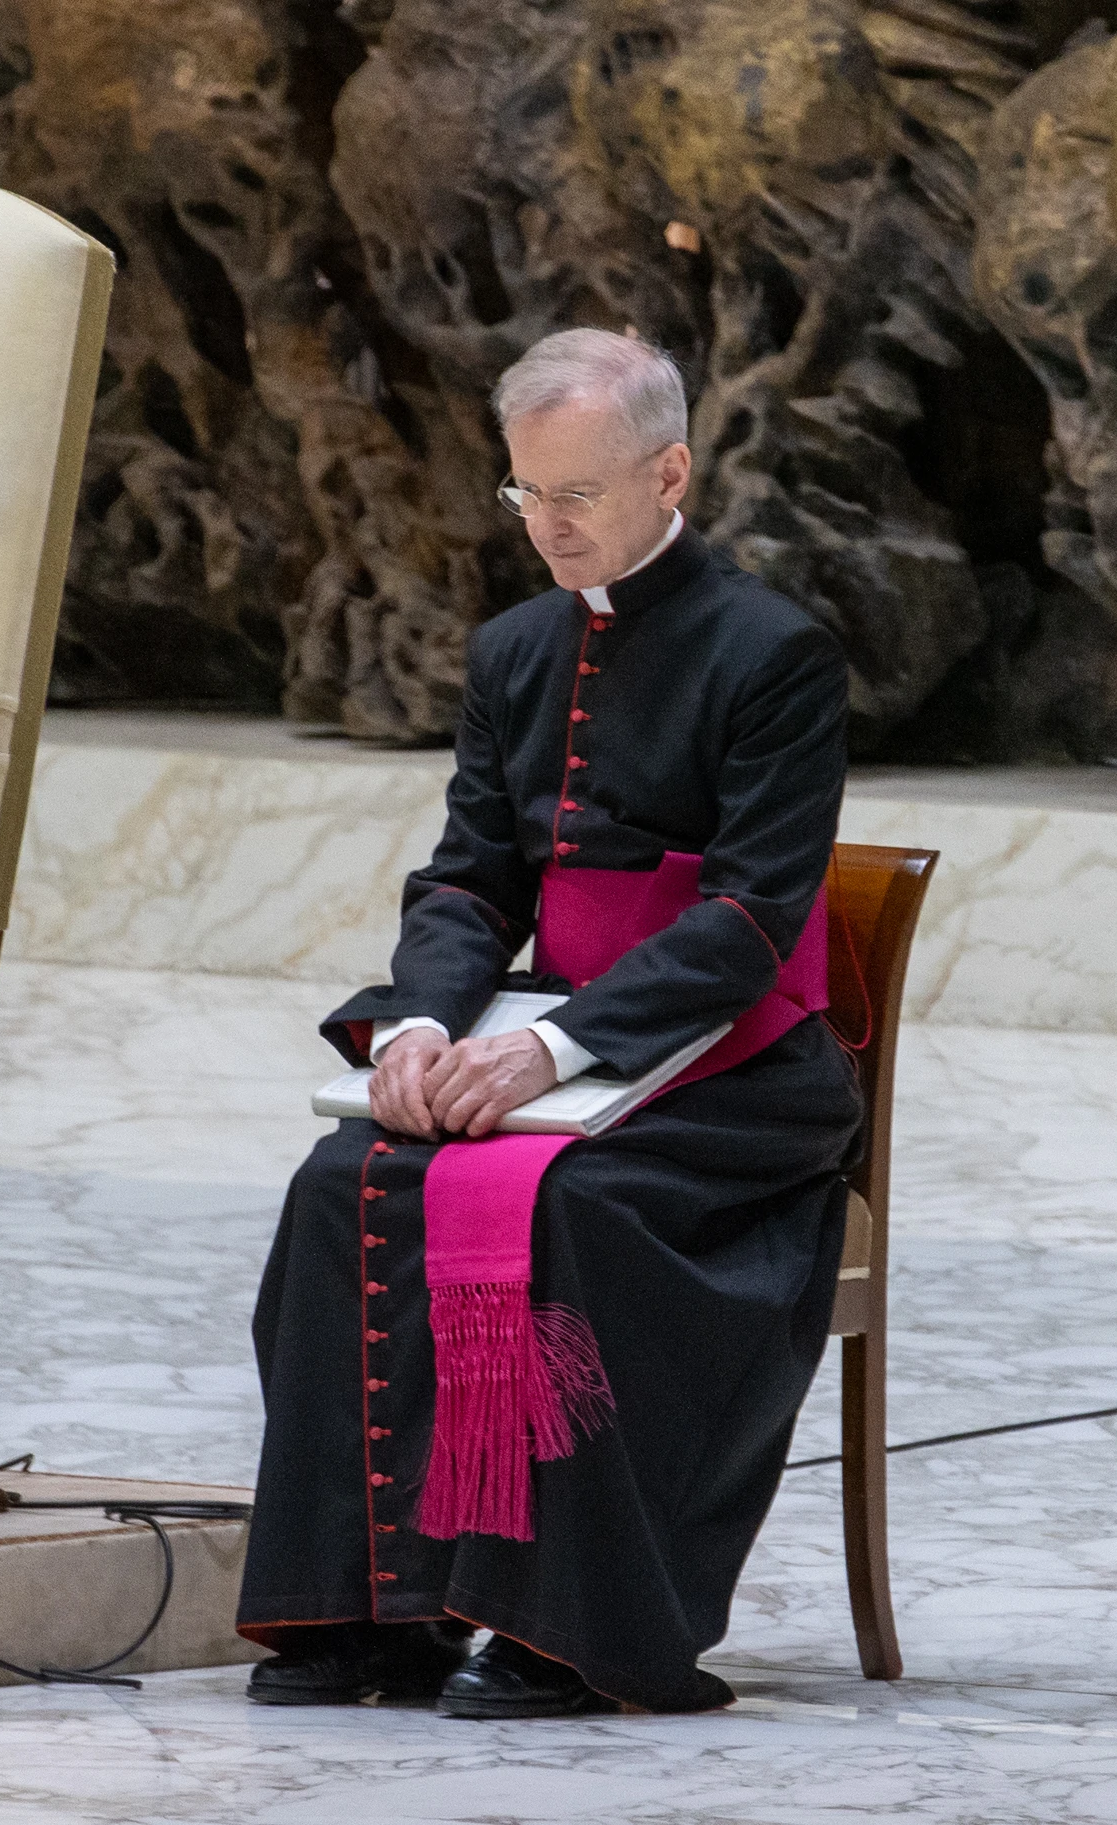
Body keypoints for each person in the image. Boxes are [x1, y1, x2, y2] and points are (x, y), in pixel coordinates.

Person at [236, 328, 861, 1716]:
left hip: (736, 1075)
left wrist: (550, 1050)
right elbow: (469, 878)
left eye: (576, 495)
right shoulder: (513, 650)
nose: (548, 528)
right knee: (342, 1185)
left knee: (570, 1214)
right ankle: (367, 1612)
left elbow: (751, 917)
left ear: (669, 471)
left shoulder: (774, 652)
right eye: (526, 497)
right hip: (560, 1044)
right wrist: (414, 1030)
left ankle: (552, 1628)